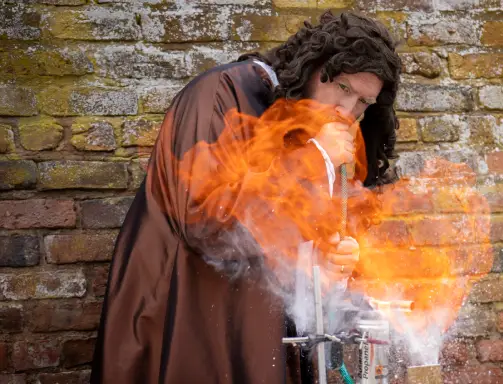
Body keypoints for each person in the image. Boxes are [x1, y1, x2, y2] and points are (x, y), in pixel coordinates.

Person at [90, 10, 402, 384]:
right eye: (344, 88)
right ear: (314, 67)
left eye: (364, 103)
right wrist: (313, 161)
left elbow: (268, 239)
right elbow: (205, 221)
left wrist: (320, 265)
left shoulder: (303, 128)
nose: (348, 112)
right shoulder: (222, 93)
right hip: (183, 328)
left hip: (253, 339)